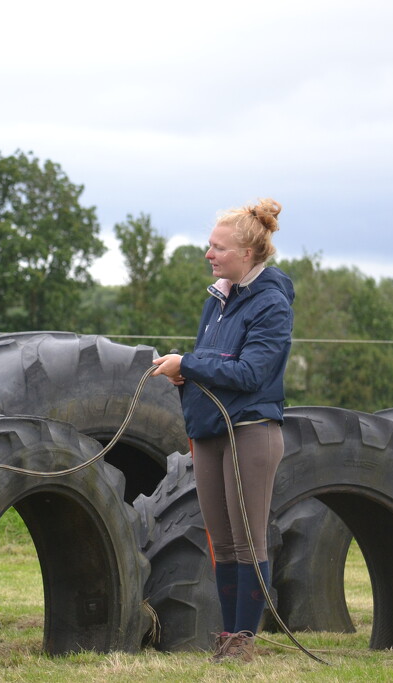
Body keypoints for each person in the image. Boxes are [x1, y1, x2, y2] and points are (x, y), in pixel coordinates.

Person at [152, 198, 294, 663]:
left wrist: (190, 363)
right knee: (223, 538)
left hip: (251, 432)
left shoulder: (272, 302)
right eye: (209, 245)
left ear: (248, 254)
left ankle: (243, 641)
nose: (209, 254)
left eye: (218, 248)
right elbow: (218, 365)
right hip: (212, 429)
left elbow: (251, 372)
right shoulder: (217, 299)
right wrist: (185, 374)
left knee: (248, 538)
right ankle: (230, 635)